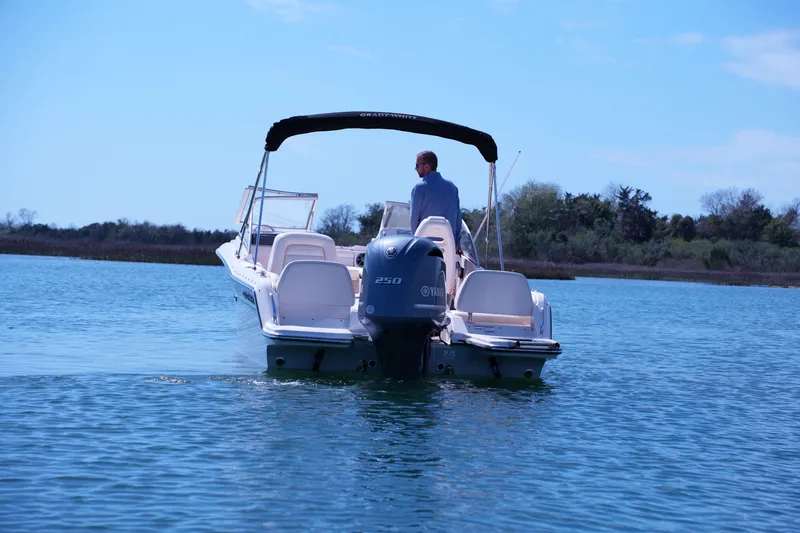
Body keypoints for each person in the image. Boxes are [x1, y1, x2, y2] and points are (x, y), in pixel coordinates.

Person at [410, 150, 463, 253]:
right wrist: (457, 243)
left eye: (417, 165)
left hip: (424, 247)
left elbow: (414, 220)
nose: (415, 168)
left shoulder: (419, 188)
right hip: (448, 247)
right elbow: (458, 219)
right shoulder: (452, 188)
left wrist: (414, 243)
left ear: (426, 167)